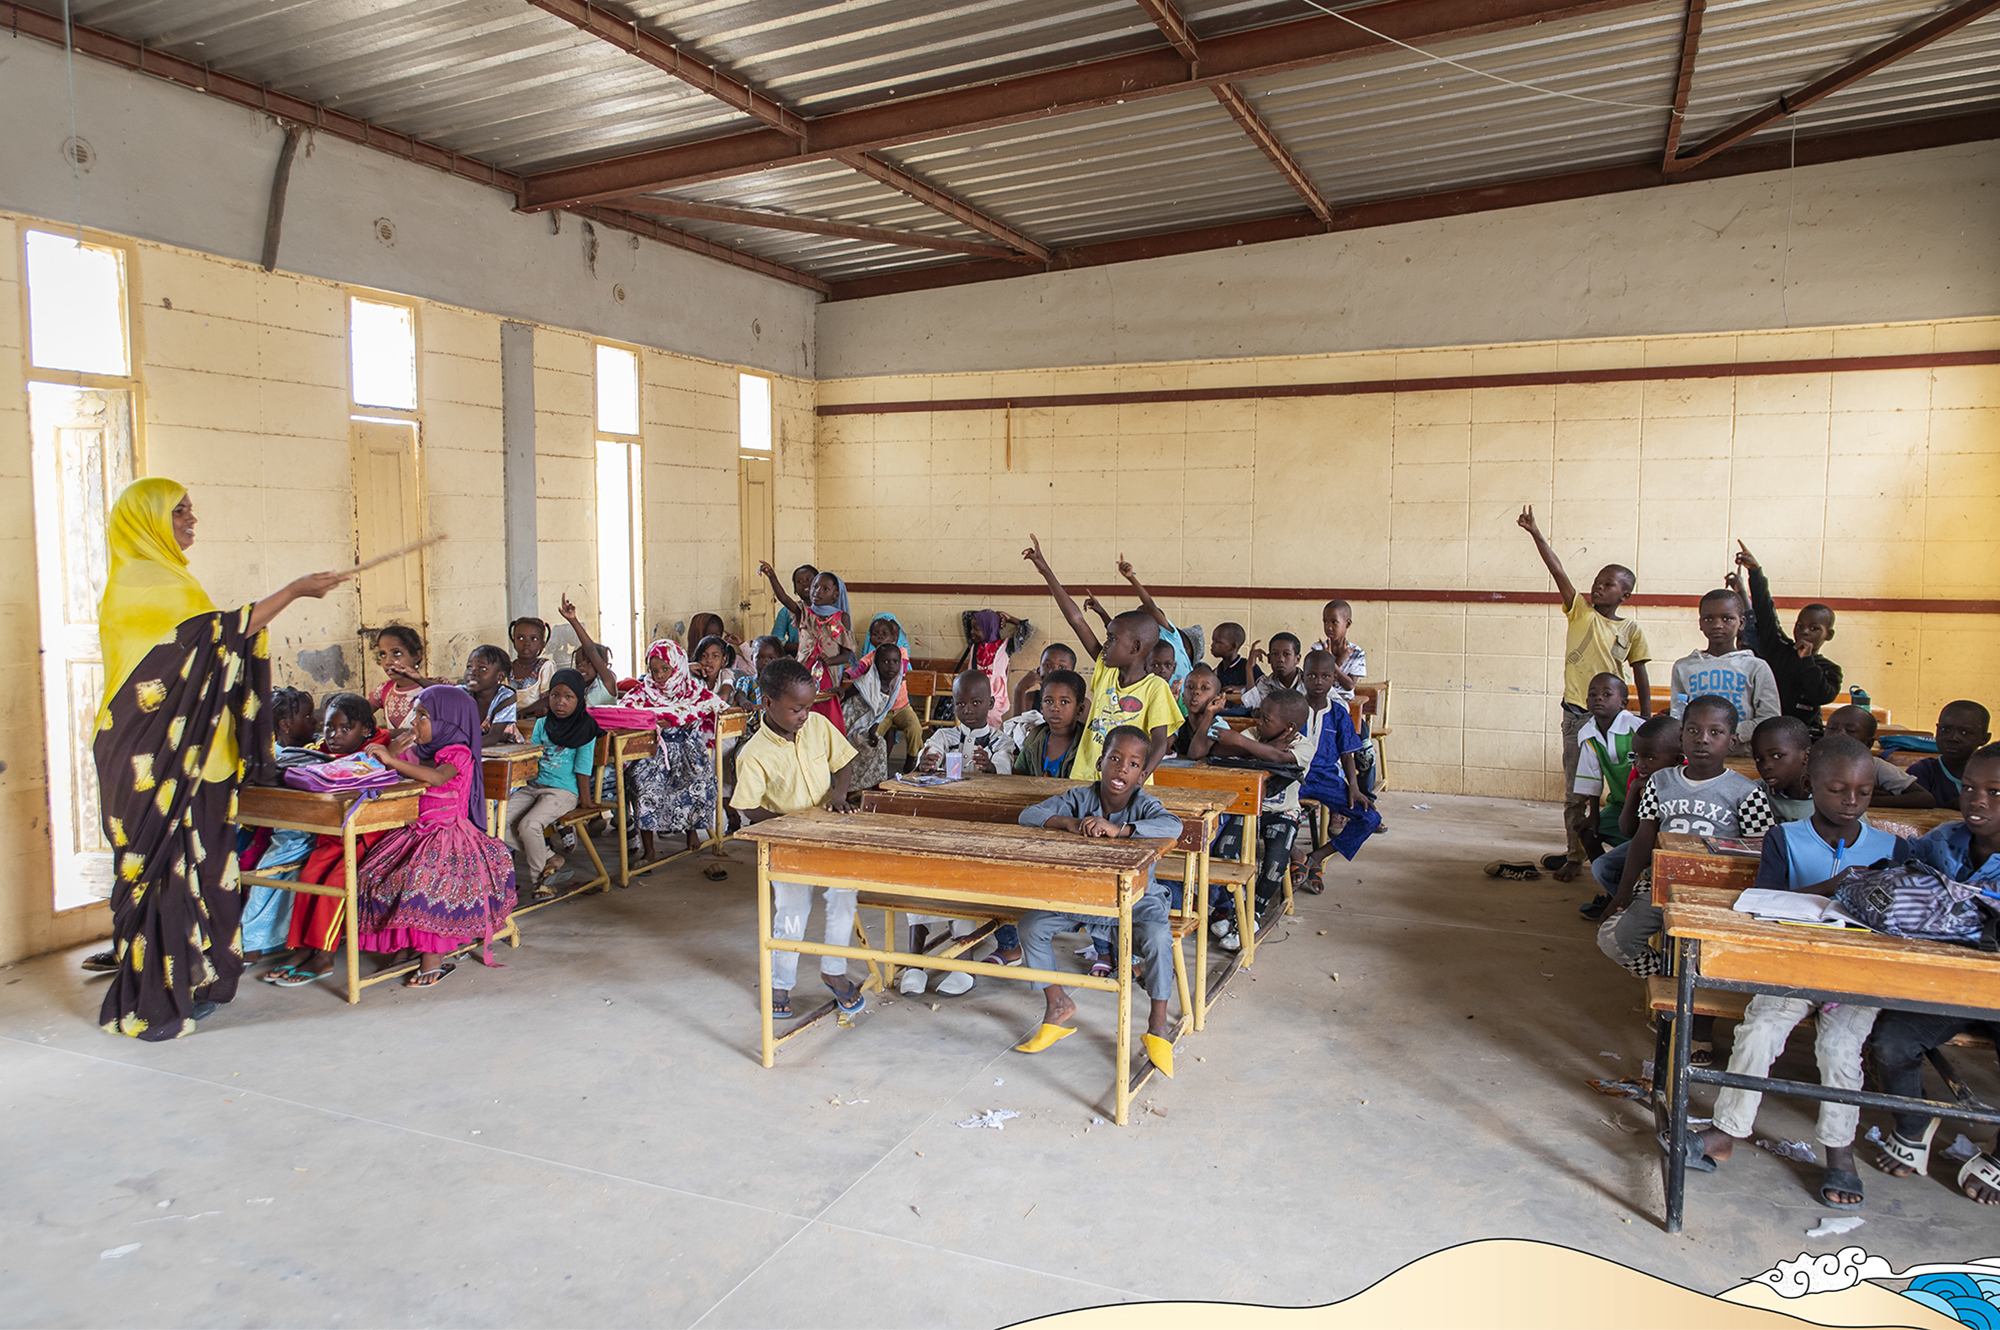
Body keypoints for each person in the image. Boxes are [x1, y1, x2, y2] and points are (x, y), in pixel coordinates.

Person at [91, 477, 345, 1038]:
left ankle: (194, 979)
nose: (191, 521)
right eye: (180, 512)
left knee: (203, 869)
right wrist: (296, 590)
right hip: (148, 759)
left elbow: (217, 645)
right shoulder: (141, 582)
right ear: (148, 521)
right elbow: (224, 633)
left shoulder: (173, 579)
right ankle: (155, 996)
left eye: (190, 510)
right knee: (161, 877)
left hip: (191, 758)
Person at [1672, 736, 1908, 1211]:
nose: (1851, 802)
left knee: (1840, 1047)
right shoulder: (1786, 838)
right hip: (1792, 969)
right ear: (1811, 785)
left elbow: (1899, 920)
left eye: (1863, 792)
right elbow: (1764, 904)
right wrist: (1836, 888)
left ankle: (1839, 1150)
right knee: (1759, 1029)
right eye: (1838, 789)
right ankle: (1726, 1131)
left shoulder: (1891, 848)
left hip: (1857, 977)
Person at [1870, 742, 2000, 1205]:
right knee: (1891, 1041)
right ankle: (1914, 1120)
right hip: (1947, 984)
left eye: (1995, 791)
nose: (1977, 800)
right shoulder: (1944, 840)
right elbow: (1897, 881)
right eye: (1969, 788)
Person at [1013, 726, 1184, 1077]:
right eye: (1115, 759)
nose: (1122, 769)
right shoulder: (1079, 797)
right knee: (1031, 925)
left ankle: (1157, 1024)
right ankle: (1058, 1003)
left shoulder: (1145, 804)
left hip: (1138, 900)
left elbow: (1174, 827)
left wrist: (1121, 830)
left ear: (1141, 774)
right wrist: (1069, 823)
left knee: (1157, 939)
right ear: (1100, 762)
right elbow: (1027, 815)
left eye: (1133, 764)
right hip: (1084, 897)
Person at [1599, 696, 1774, 991]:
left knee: (1718, 956)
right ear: (1681, 737)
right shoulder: (1660, 782)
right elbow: (1643, 837)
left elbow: (1762, 850)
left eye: (1715, 732)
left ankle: (1693, 987)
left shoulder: (1747, 792)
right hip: (1662, 884)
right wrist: (1624, 891)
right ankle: (1674, 981)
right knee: (1613, 940)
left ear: (1732, 741)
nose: (1702, 739)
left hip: (1717, 892)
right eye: (1693, 730)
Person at [1517, 505, 1652, 883]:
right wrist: (1536, 534)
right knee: (1577, 791)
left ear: (1625, 594)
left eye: (1609, 584)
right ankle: (1575, 855)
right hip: (1578, 715)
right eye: (1597, 581)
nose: (1598, 586)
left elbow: (1640, 672)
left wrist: (1646, 717)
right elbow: (1558, 570)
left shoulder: (1631, 631)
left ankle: (1629, 850)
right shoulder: (1580, 612)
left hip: (1619, 720)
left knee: (1626, 789)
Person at [350, 687, 516, 988]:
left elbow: (438, 778)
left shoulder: (459, 752)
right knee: (374, 873)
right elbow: (393, 767)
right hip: (416, 831)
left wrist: (392, 759)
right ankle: (401, 947)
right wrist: (392, 750)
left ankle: (433, 959)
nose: (415, 722)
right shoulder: (421, 751)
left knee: (423, 881)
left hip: (450, 835)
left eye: (423, 716)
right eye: (416, 714)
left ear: (448, 723)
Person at [731, 657, 865, 1020]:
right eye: (796, 709)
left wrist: (840, 795)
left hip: (830, 835)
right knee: (791, 910)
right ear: (768, 702)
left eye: (808, 706)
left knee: (843, 897)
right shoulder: (754, 754)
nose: (805, 715)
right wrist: (788, 825)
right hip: (788, 844)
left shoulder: (819, 725)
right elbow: (748, 808)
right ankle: (780, 983)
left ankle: (834, 970)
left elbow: (845, 762)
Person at [261, 692, 395, 985]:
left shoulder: (379, 750)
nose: (334, 735)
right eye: (329, 727)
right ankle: (301, 949)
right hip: (332, 836)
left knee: (336, 884)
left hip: (366, 839)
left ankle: (323, 955)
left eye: (345, 728)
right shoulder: (320, 751)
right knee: (308, 878)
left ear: (366, 730)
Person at [1022, 534, 1179, 776]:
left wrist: (1142, 776)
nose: (1105, 645)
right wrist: (1046, 572)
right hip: (1086, 778)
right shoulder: (1106, 671)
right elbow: (1076, 620)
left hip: (1126, 786)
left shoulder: (1155, 688)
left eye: (1112, 640)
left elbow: (1160, 741)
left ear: (1135, 648)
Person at [237, 687, 320, 962]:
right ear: (285, 725)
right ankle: (253, 945)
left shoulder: (268, 750)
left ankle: (261, 942)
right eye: (308, 717)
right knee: (285, 859)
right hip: (281, 832)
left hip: (262, 829)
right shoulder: (284, 758)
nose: (316, 723)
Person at [505, 669, 604, 898]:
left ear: (580, 699)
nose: (560, 703)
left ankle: (540, 883)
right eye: (555, 696)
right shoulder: (542, 724)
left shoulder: (585, 727)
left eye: (569, 697)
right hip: (534, 786)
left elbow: (582, 767)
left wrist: (587, 802)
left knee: (529, 825)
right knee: (497, 823)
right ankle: (550, 857)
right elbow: (535, 756)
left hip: (563, 791)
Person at [625, 640, 726, 864]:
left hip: (687, 750)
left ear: (678, 667)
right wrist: (655, 722)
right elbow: (626, 710)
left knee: (699, 781)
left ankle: (691, 830)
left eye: (665, 669)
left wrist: (684, 717)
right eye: (654, 671)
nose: (659, 676)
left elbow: (716, 705)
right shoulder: (643, 690)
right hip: (653, 752)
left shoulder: (691, 688)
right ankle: (649, 850)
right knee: (645, 788)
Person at [1733, 542, 1841, 738]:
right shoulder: (1780, 649)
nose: (1804, 632)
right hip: (1769, 730)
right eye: (1800, 626)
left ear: (1829, 635)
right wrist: (1755, 573)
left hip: (1805, 734)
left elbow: (1822, 695)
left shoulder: (1829, 669)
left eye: (1814, 629)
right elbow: (1766, 613)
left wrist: (1807, 660)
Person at [1579, 715, 1681, 921]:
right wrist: (1634, 789)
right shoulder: (1638, 778)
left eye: (1649, 758)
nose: (1640, 764)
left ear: (1677, 759)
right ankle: (1631, 906)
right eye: (1636, 756)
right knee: (1602, 867)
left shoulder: (1684, 778)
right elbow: (1627, 830)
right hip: (1649, 842)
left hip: (1676, 849)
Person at [1667, 589, 1781, 742]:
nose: (1717, 625)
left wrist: (1726, 733)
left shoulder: (1756, 667)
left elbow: (1769, 719)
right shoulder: (1684, 667)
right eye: (1708, 619)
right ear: (1700, 624)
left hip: (1743, 754)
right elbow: (1679, 716)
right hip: (1698, 751)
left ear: (1741, 623)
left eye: (1727, 618)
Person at [759, 561, 852, 731]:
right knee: (802, 714)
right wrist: (772, 576)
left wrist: (830, 660)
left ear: (835, 595)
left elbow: (847, 655)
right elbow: (784, 598)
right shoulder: (804, 612)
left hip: (825, 676)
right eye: (815, 587)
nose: (817, 591)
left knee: (824, 718)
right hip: (803, 673)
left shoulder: (840, 618)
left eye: (825, 589)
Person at [1572, 673, 1644, 861]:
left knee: (1644, 843)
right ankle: (1610, 881)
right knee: (1589, 833)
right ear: (1586, 702)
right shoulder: (1588, 735)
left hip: (1647, 807)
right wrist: (1594, 815)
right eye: (1593, 694)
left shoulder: (1638, 729)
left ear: (1623, 702)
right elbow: (1592, 780)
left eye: (1607, 694)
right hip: (1619, 805)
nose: (1599, 698)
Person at [851, 614, 923, 773]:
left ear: (894, 638)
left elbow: (903, 664)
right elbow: (859, 668)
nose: (880, 638)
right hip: (881, 710)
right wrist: (848, 675)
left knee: (915, 729)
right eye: (875, 635)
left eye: (884, 635)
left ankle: (911, 760)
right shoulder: (872, 656)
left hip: (903, 708)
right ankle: (871, 768)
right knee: (872, 735)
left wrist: (898, 666)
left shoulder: (900, 652)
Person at [1823, 705, 1934, 808]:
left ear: (1868, 744)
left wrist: (1868, 799)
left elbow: (1925, 798)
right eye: (1832, 728)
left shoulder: (1874, 766)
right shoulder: (1812, 761)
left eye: (1851, 731)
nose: (1839, 734)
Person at [918, 671, 1016, 775]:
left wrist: (990, 767)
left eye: (976, 703)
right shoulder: (943, 736)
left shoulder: (1001, 741)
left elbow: (1004, 770)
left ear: (990, 703)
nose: (968, 710)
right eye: (961, 703)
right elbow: (929, 756)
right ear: (953, 705)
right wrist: (926, 764)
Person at [1905, 701, 1992, 811]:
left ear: (1984, 739)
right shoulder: (1923, 772)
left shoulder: (1994, 775)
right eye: (1945, 729)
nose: (1953, 737)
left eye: (1965, 732)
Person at [1012, 668, 1086, 778]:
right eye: (1048, 701)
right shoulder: (1033, 741)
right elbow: (1017, 776)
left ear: (1079, 709)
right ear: (1041, 707)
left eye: (1064, 702)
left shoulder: (1086, 745)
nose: (1055, 708)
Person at [371, 625, 441, 731]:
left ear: (417, 655)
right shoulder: (384, 690)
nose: (388, 661)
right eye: (383, 655)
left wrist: (393, 734)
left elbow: (455, 700)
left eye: (397, 653)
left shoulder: (438, 685)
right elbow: (356, 716)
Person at [1751, 715, 1815, 823]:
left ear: (1806, 756)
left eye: (1777, 756)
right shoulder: (1755, 793)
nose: (1766, 766)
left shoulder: (1831, 795)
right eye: (1759, 759)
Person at [463, 644, 519, 742]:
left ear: (500, 676)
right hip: (476, 748)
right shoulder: (462, 693)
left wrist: (460, 749)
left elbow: (494, 737)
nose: (472, 672)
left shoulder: (505, 697)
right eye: (469, 667)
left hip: (507, 750)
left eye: (482, 668)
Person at [507, 616, 556, 720]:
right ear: (513, 641)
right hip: (509, 719)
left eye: (533, 639)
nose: (526, 643)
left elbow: (549, 698)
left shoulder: (544, 666)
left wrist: (524, 711)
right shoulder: (506, 667)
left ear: (542, 644)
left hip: (534, 719)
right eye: (520, 638)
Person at [1014, 642, 1079, 717]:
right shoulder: (1030, 699)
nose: (1053, 671)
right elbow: (1016, 727)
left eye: (1061, 667)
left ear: (1072, 675)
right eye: (1047, 665)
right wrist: (1020, 689)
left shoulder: (1081, 703)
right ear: (1039, 671)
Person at [1241, 633, 1304, 710]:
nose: (1280, 659)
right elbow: (1254, 705)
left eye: (1286, 654)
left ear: (1297, 659)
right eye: (1275, 654)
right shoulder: (1265, 684)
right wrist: (1249, 667)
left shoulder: (1307, 681)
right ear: (1269, 659)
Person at [770, 563, 817, 654]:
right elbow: (776, 640)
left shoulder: (830, 612)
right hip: (796, 660)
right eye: (799, 581)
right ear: (795, 589)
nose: (804, 583)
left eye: (809, 579)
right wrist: (802, 647)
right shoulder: (786, 611)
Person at [1209, 622, 1258, 694]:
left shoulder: (1247, 666)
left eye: (1218, 642)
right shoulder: (1218, 669)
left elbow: (1263, 688)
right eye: (1213, 640)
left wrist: (1242, 689)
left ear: (1233, 646)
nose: (1212, 645)